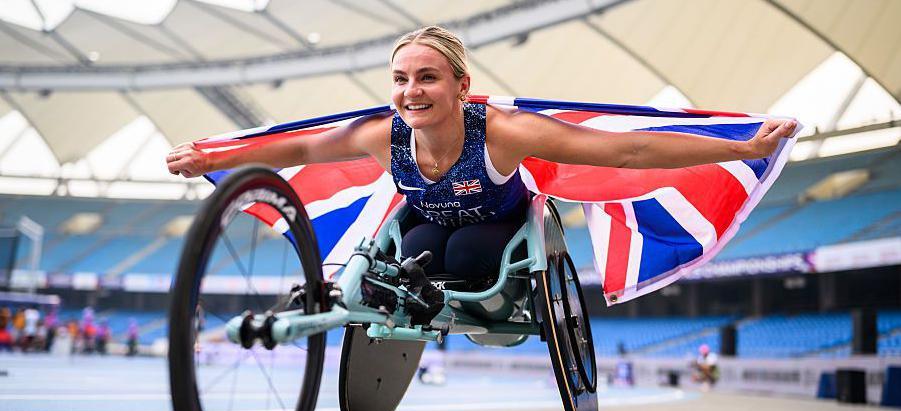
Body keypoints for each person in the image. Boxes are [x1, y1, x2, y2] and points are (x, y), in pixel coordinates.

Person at [166, 26, 796, 281]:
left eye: (428, 78)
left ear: (461, 86)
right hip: (426, 222)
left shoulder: (502, 131)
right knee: (399, 262)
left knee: (462, 255)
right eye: (401, 79)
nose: (411, 92)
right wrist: (213, 160)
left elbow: (625, 150)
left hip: (497, 225)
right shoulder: (381, 136)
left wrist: (735, 146)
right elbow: (299, 145)